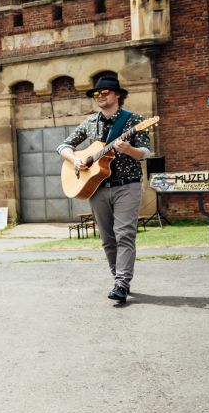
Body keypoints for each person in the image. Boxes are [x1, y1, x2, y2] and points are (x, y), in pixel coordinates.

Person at [56, 75, 151, 303]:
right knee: (108, 238)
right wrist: (75, 160)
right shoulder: (89, 123)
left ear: (118, 95)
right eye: (97, 94)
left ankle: (121, 283)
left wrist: (129, 149)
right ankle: (117, 278)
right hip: (97, 187)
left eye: (105, 93)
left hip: (126, 185)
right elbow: (63, 146)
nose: (100, 96)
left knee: (125, 234)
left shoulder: (134, 120)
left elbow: (145, 152)